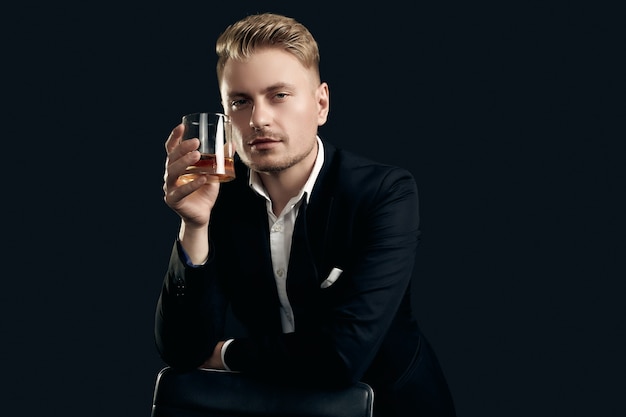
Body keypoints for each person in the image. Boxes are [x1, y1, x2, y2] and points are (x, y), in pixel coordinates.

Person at [155, 12, 456, 416]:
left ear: (321, 104)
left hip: (392, 406)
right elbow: (181, 350)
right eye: (240, 102)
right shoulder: (220, 196)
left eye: (279, 95)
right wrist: (194, 225)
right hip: (282, 405)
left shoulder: (383, 193)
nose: (258, 118)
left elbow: (342, 357)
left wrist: (226, 353)